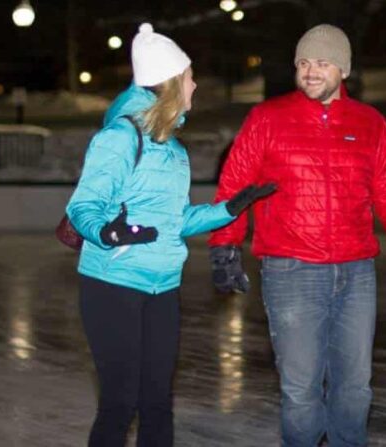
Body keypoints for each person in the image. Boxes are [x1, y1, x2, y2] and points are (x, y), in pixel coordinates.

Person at [208, 24, 386, 447]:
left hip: (356, 271)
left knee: (355, 387)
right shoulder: (267, 119)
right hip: (291, 269)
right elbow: (234, 188)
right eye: (303, 63)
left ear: (342, 69)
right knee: (301, 389)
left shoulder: (369, 123)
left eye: (322, 63)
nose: (310, 71)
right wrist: (224, 246)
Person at [66, 23, 274, 447]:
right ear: (171, 82)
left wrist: (228, 209)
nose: (195, 82)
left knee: (158, 402)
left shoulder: (174, 150)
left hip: (162, 287)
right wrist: (107, 231)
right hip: (113, 284)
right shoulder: (120, 138)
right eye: (189, 75)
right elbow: (82, 206)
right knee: (119, 404)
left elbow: (174, 221)